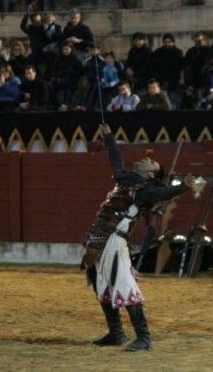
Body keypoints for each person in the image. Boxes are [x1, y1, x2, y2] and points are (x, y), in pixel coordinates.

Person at [81, 122, 194, 351]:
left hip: (114, 240)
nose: (146, 159)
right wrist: (110, 136)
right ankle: (116, 332)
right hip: (100, 238)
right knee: (101, 283)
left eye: (152, 162)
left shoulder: (147, 190)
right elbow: (116, 160)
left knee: (123, 284)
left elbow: (164, 192)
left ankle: (144, 338)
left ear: (151, 173)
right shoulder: (128, 180)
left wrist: (182, 187)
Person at [48, 41, 84, 111]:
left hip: (71, 80)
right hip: (60, 79)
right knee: (50, 85)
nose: (65, 51)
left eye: (67, 49)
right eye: (63, 49)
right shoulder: (58, 59)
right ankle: (57, 105)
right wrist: (58, 75)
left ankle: (65, 104)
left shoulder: (75, 59)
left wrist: (71, 72)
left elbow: (81, 71)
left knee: (68, 83)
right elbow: (53, 70)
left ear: (71, 49)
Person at [183, 32, 210, 108]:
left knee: (206, 105)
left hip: (206, 82)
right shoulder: (191, 51)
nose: (198, 43)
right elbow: (187, 69)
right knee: (197, 105)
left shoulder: (209, 51)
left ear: (204, 40)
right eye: (196, 41)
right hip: (195, 84)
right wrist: (188, 85)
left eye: (200, 41)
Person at [84, 44, 106, 111]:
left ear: (99, 50)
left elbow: (104, 71)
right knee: (88, 90)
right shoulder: (88, 60)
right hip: (91, 79)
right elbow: (86, 71)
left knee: (97, 89)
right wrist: (91, 77)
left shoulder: (103, 60)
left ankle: (98, 106)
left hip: (100, 79)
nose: (93, 51)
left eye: (95, 50)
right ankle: (85, 106)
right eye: (92, 50)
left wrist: (99, 77)